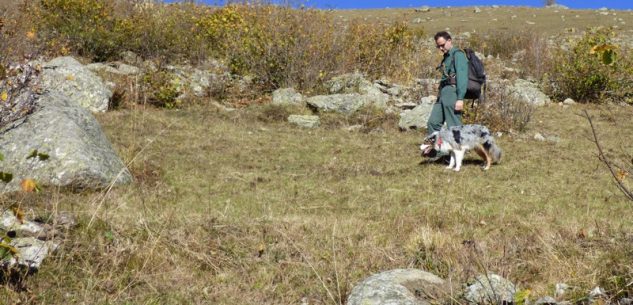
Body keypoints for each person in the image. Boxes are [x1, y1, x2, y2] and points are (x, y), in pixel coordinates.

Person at [426, 31, 468, 135]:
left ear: (449, 41)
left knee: (454, 125)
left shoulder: (458, 54)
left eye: (442, 45)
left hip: (452, 92)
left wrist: (460, 99)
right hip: (443, 93)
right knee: (433, 122)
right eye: (438, 46)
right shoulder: (446, 57)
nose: (440, 48)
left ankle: (458, 150)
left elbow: (462, 77)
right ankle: (440, 150)